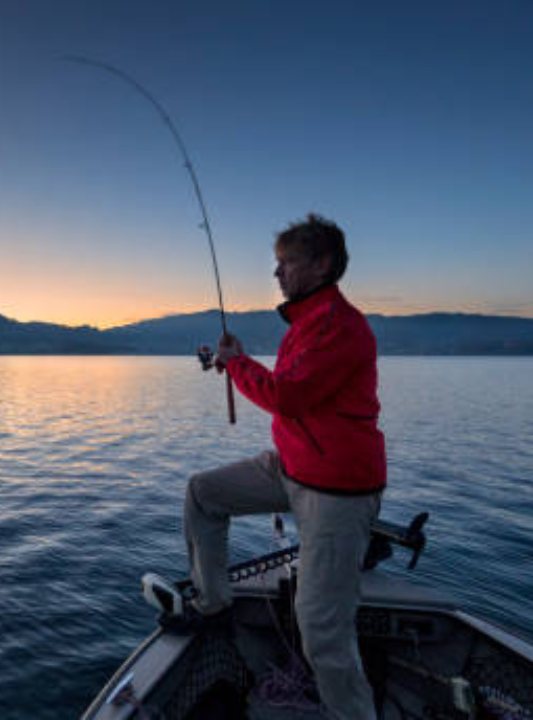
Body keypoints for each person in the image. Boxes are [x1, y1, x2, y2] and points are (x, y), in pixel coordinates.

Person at [173, 213, 386, 720]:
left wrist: (235, 364)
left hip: (337, 489)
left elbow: (287, 397)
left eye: (286, 263)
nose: (278, 274)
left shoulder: (340, 327)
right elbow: (291, 393)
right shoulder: (306, 324)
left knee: (322, 633)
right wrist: (240, 362)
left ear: (322, 263)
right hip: (293, 466)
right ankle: (214, 604)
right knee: (204, 493)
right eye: (278, 264)